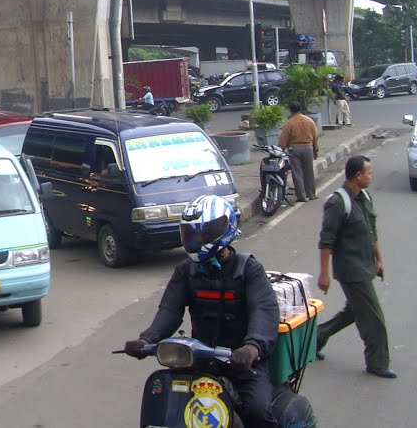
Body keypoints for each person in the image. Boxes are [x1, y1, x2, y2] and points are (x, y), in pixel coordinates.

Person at [123, 195, 280, 427]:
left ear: (221, 231)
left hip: (243, 364)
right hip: (201, 360)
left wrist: (252, 347)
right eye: (191, 233)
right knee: (172, 405)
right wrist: (147, 338)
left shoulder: (249, 270)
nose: (196, 239)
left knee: (257, 413)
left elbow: (264, 310)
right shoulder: (186, 271)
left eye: (203, 233)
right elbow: (169, 310)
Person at [316, 155, 394, 378]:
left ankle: (316, 339)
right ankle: (377, 363)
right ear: (357, 176)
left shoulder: (364, 197)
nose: (371, 176)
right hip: (351, 271)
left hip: (365, 265)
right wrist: (324, 274)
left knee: (355, 311)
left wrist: (379, 260)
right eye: (368, 172)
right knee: (373, 319)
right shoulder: (338, 202)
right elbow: (326, 241)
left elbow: (372, 232)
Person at [278, 101, 318, 201]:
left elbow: (284, 139)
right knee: (309, 172)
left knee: (297, 173)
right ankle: (311, 194)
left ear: (290, 110)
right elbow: (315, 136)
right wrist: (315, 150)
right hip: (308, 147)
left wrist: (280, 150)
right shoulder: (309, 121)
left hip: (294, 149)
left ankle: (301, 196)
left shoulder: (289, 123)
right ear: (300, 109)